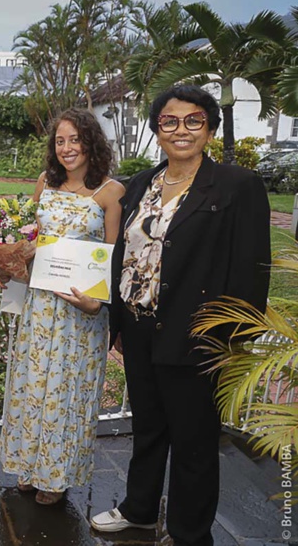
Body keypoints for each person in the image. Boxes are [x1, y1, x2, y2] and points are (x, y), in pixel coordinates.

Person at [90, 85, 270, 545]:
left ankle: (190, 533)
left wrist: (232, 341)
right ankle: (140, 511)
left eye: (193, 120)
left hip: (198, 333)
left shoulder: (236, 186)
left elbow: (252, 268)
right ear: (157, 130)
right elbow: (123, 253)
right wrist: (116, 317)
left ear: (210, 128)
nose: (181, 130)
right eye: (169, 121)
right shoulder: (140, 184)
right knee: (148, 426)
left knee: (193, 440)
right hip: (139, 327)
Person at [0, 108, 124, 505]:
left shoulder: (110, 192)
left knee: (68, 392)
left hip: (79, 313)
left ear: (91, 142)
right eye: (60, 141)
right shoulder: (44, 185)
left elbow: (112, 256)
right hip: (39, 306)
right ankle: (28, 466)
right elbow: (26, 234)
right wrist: (10, 260)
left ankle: (55, 476)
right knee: (33, 388)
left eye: (75, 140)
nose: (67, 148)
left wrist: (95, 303)